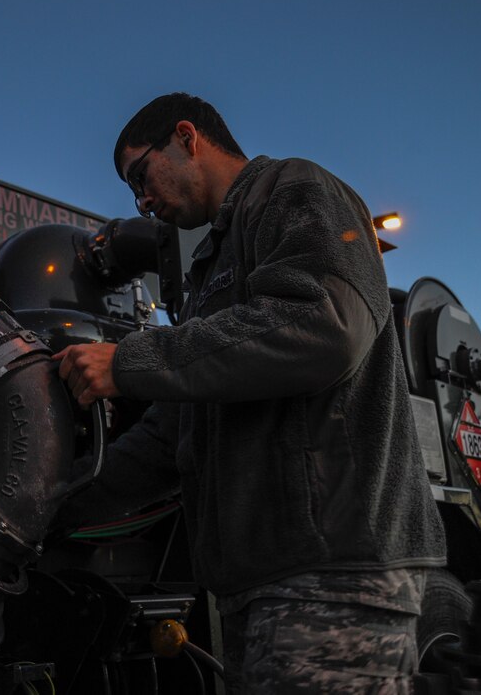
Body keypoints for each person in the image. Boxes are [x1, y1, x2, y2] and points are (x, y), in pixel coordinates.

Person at [53, 92, 446, 693]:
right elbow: (169, 437)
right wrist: (47, 507)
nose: (141, 201)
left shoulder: (293, 189)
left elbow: (324, 327)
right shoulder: (210, 269)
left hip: (334, 571)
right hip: (257, 583)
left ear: (187, 137)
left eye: (141, 175)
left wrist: (129, 360)